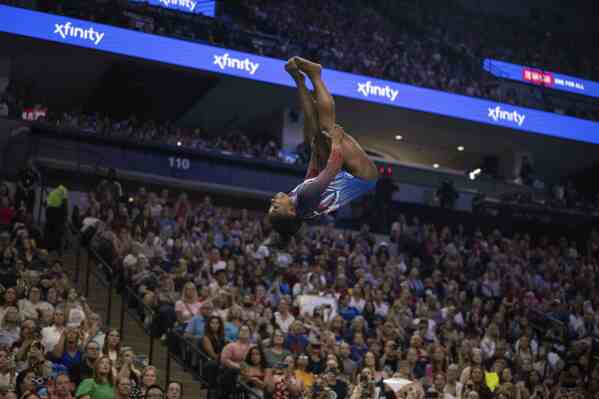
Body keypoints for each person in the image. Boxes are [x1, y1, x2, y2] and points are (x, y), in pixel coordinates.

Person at [268, 57, 378, 243]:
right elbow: (332, 168)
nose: (272, 202)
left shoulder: (299, 202)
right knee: (327, 129)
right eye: (276, 208)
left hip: (344, 176)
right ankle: (316, 75)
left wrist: (314, 150)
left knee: (315, 135)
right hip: (361, 176)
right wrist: (335, 142)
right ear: (291, 211)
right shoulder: (305, 197)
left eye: (271, 207)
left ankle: (299, 79)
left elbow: (312, 176)